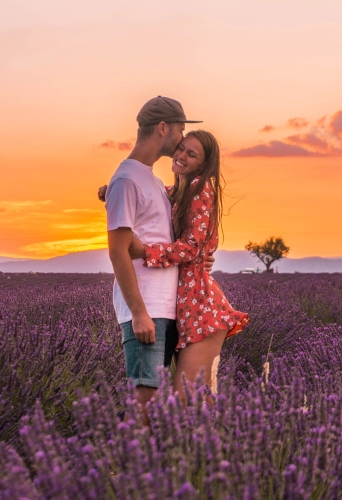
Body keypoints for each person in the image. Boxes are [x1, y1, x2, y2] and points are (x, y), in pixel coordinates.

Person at [128, 130, 249, 404]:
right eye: (181, 148)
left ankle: (238, 442)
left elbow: (193, 245)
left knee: (184, 401)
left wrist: (144, 251)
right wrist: (112, 189)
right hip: (184, 309)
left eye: (191, 154)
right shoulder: (176, 191)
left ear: (203, 165)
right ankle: (228, 444)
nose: (181, 155)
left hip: (201, 309)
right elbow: (146, 196)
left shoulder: (200, 188)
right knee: (200, 402)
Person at [104, 96, 203, 425]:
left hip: (166, 308)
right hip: (147, 311)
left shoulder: (149, 180)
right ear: (163, 128)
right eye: (180, 131)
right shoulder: (128, 179)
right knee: (145, 405)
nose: (181, 140)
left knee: (164, 406)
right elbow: (117, 250)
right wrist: (139, 313)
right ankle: (128, 470)